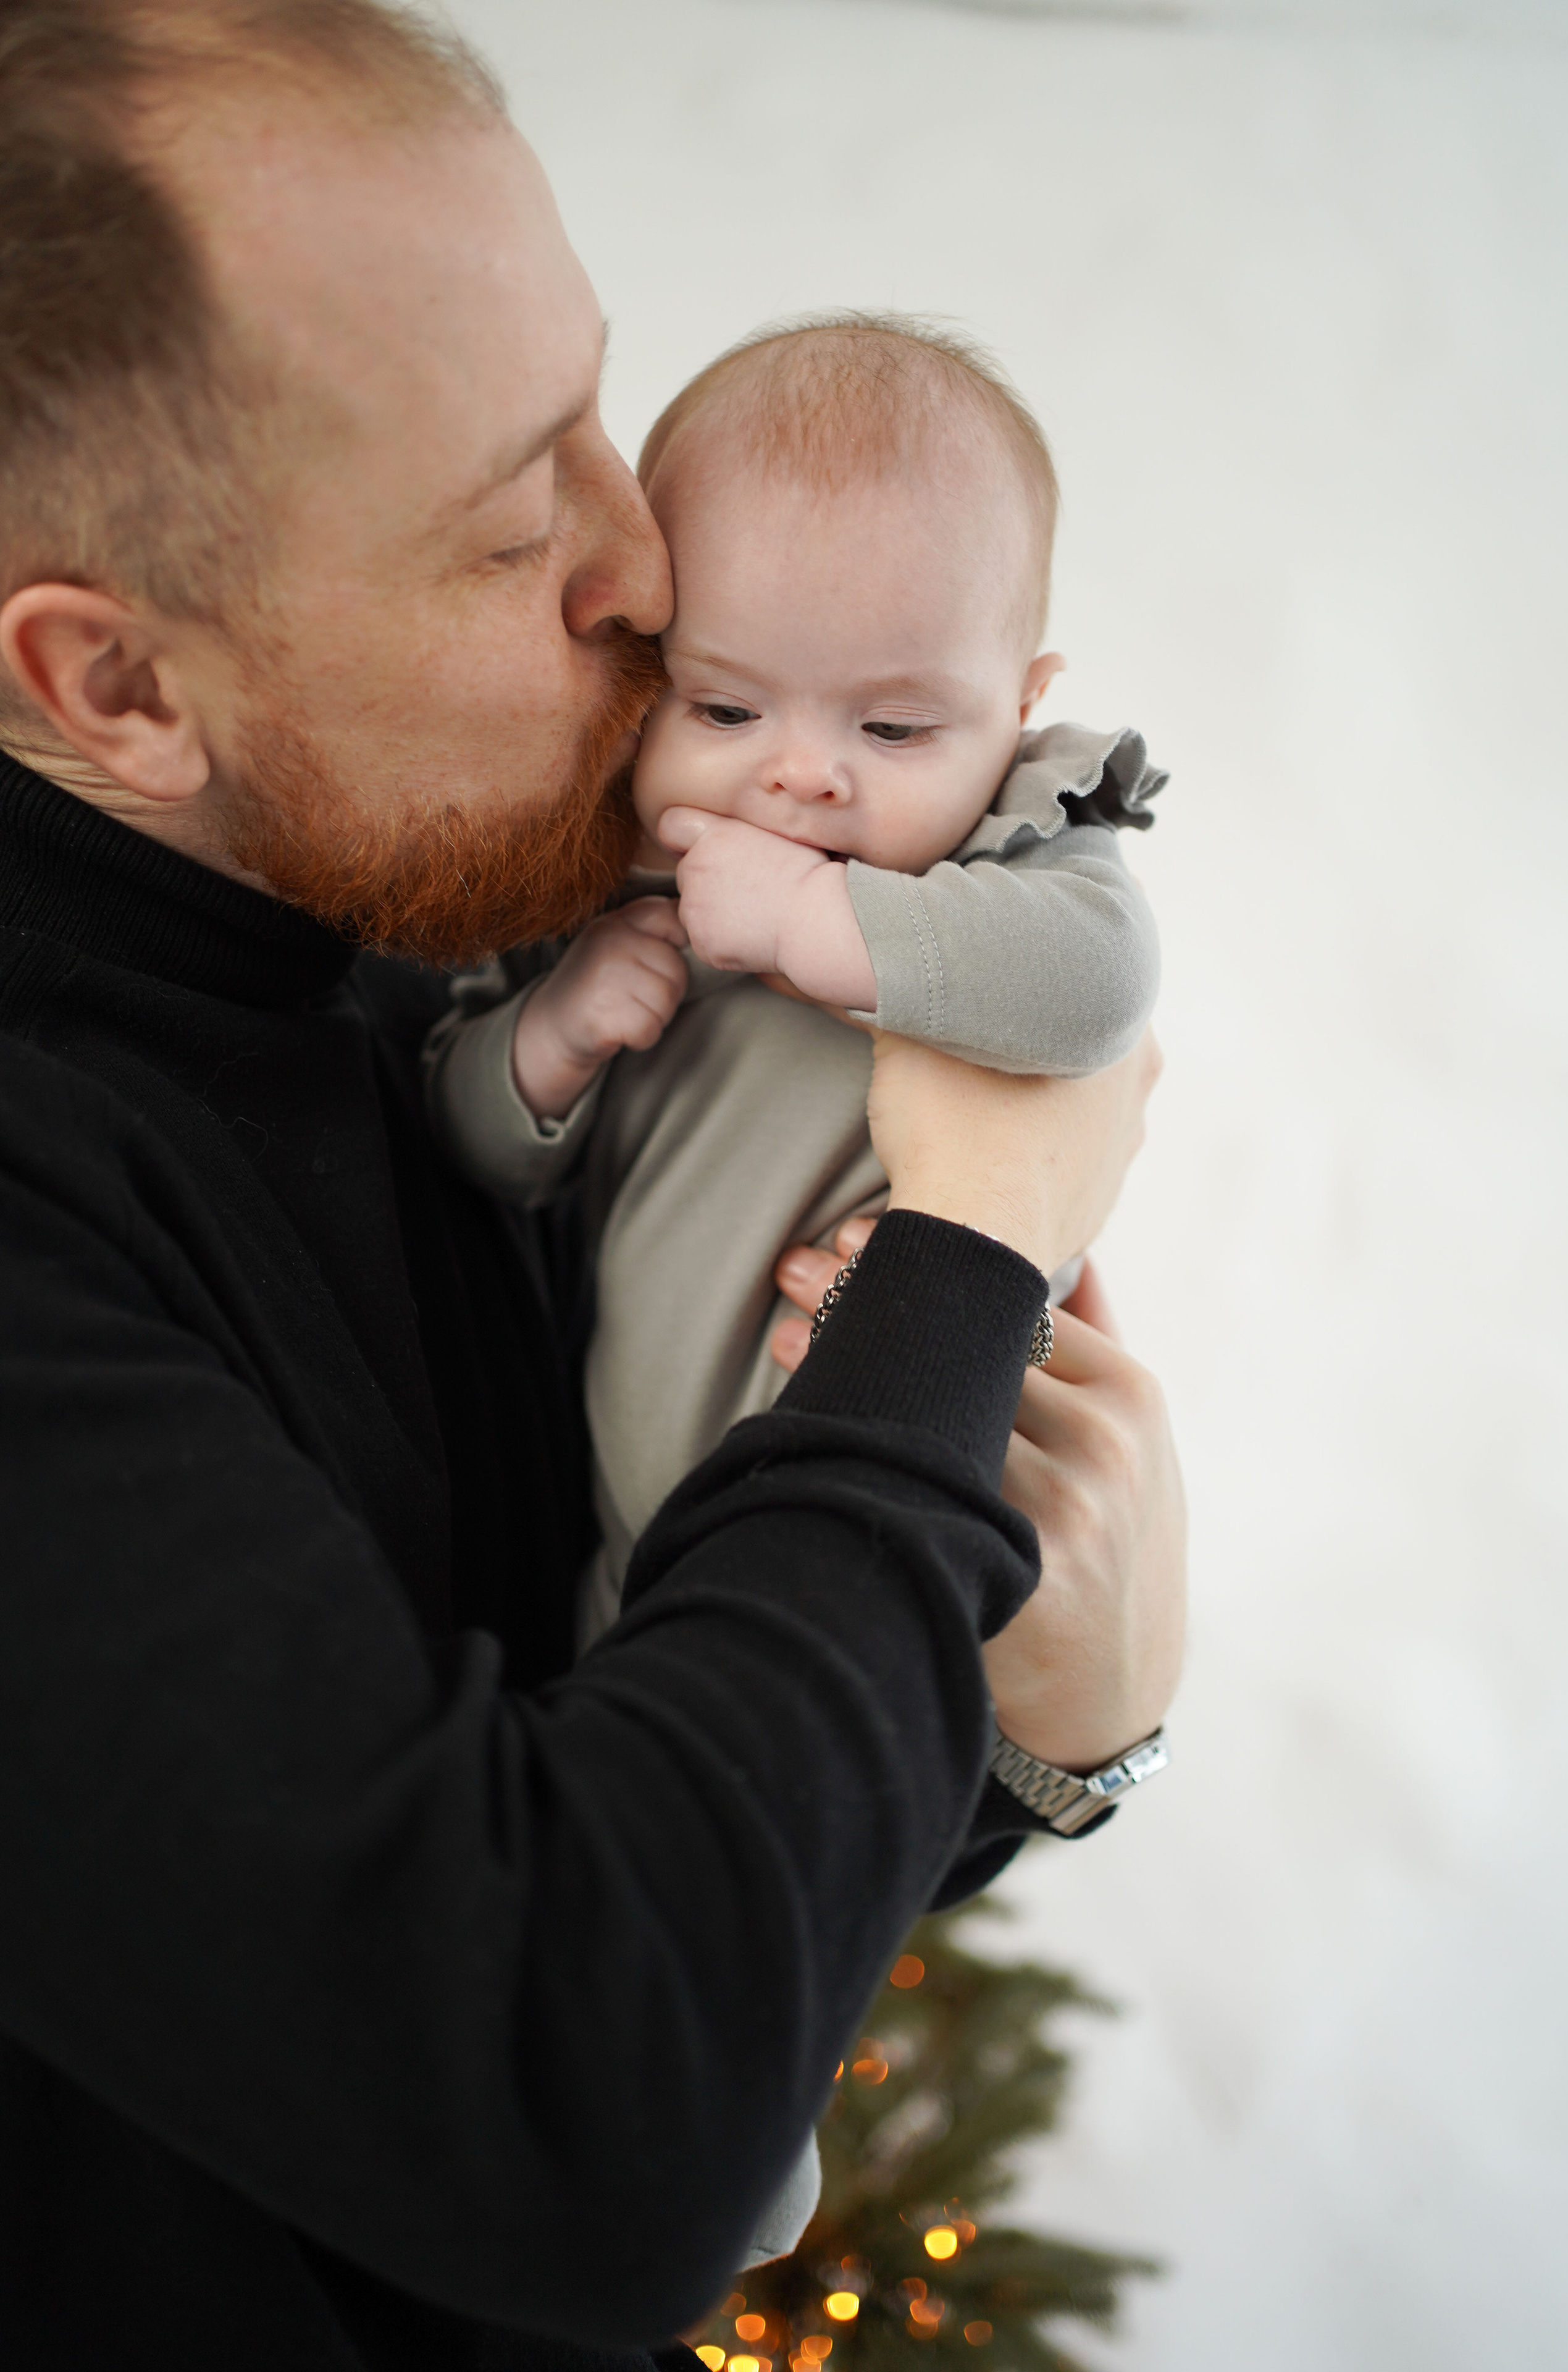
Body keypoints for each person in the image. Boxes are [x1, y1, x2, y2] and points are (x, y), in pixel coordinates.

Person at [0, 7, 1186, 2371]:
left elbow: (648, 1736)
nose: (653, 568)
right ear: (115, 688)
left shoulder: (389, 945)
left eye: (595, 404)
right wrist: (949, 1269)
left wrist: (1047, 1732)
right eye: (516, 510)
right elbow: (599, 2116)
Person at [426, 316, 1168, 1658]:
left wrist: (811, 922)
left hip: (934, 1515)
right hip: (624, 1535)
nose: (802, 774)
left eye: (890, 728)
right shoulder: (612, 892)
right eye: (723, 711)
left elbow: (1097, 992)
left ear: (1015, 706)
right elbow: (477, 1151)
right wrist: (552, 1038)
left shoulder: (1016, 842)